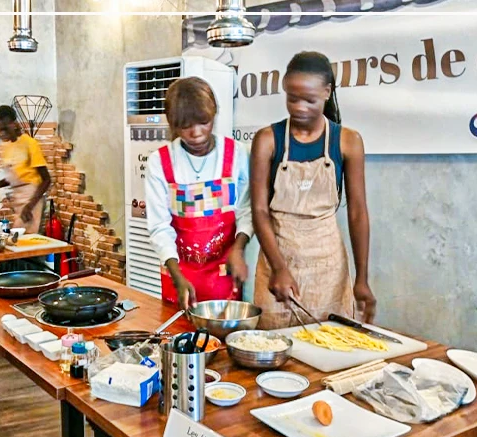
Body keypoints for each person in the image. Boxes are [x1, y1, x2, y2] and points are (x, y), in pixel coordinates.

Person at [249, 51, 376, 329]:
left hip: (328, 267)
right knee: (276, 347)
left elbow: (357, 213)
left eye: (310, 100)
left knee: (333, 345)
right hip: (278, 259)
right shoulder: (267, 140)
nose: (299, 108)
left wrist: (362, 278)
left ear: (327, 92)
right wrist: (279, 267)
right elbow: (259, 210)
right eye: (292, 98)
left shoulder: (348, 141)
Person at [145, 77, 251, 309]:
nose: (197, 133)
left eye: (204, 122)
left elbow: (246, 210)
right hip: (178, 273)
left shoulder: (236, 154)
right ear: (173, 124)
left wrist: (239, 248)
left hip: (224, 272)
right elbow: (159, 227)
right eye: (185, 126)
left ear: (214, 113)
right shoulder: (160, 162)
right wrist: (176, 276)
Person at [0, 105, 51, 234]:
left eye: (5, 129)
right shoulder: (7, 146)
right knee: (20, 239)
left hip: (32, 198)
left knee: (26, 241)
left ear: (14, 124)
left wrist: (30, 206)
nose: (2, 134)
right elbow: (13, 178)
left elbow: (46, 180)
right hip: (18, 197)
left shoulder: (29, 143)